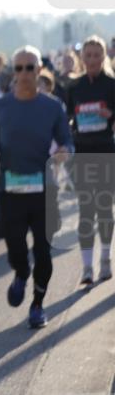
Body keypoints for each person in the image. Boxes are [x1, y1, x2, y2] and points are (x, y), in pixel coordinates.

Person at [0, 46, 73, 328]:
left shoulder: (53, 106)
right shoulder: (2, 105)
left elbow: (67, 142)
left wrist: (63, 154)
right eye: (18, 68)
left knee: (44, 251)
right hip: (11, 188)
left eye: (29, 68)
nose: (23, 74)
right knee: (15, 246)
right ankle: (21, 272)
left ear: (38, 70)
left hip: (43, 188)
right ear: (13, 72)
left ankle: (37, 304)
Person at [65, 35, 115, 283]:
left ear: (103, 57)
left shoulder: (112, 84)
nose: (93, 60)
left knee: (104, 207)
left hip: (106, 152)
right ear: (82, 58)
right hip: (82, 153)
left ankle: (105, 259)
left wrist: (110, 114)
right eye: (88, 55)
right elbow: (64, 119)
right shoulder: (74, 86)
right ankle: (87, 267)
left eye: (97, 55)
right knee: (86, 210)